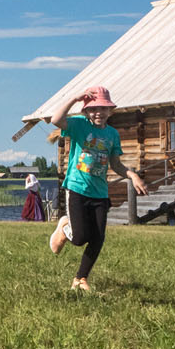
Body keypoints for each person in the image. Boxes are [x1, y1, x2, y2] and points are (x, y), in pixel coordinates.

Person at [45, 87, 149, 292]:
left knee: (98, 237)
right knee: (80, 238)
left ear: (110, 111)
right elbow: (56, 120)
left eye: (102, 108)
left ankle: (80, 279)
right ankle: (65, 227)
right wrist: (74, 98)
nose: (98, 113)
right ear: (86, 111)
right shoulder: (79, 125)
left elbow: (116, 165)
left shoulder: (112, 134)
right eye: (93, 109)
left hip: (99, 193)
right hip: (77, 188)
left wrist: (133, 175)